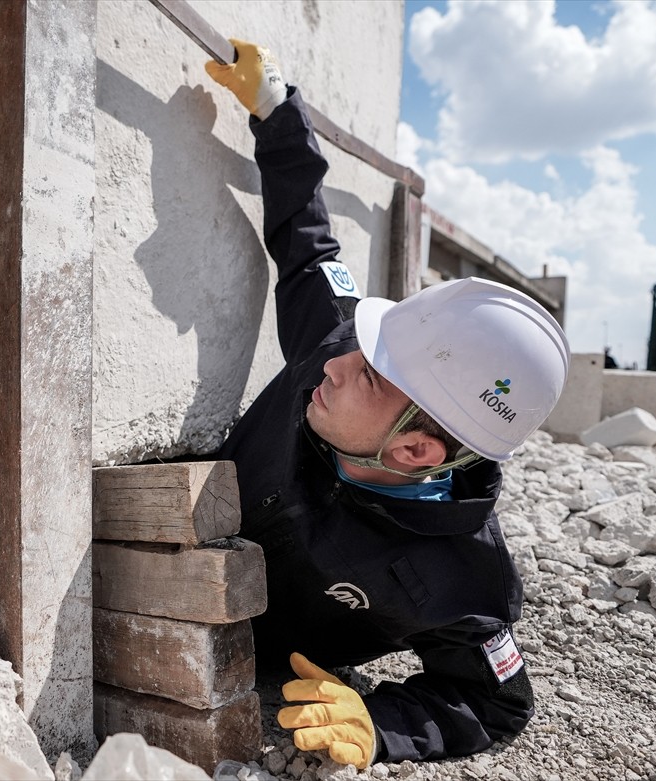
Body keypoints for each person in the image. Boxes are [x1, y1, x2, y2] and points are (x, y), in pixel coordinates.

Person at [204, 41, 570, 767]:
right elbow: (310, 246)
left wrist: (381, 722)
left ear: (414, 451)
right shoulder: (341, 347)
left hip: (267, 658)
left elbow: (498, 699)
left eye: (369, 376)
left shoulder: (463, 577)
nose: (336, 362)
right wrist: (278, 112)